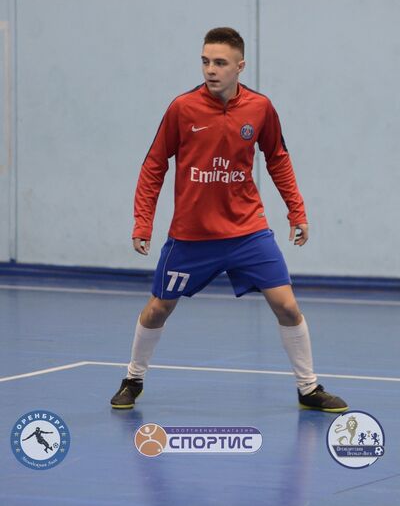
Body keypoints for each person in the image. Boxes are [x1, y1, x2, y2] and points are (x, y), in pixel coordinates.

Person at [110, 27, 348, 413]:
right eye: (205, 61)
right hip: (191, 237)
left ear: (240, 66)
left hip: (248, 232)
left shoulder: (260, 108)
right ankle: (133, 379)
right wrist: (143, 222)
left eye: (220, 62)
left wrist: (296, 211)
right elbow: (154, 165)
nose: (210, 69)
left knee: (287, 306)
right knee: (158, 309)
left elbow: (278, 159)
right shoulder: (181, 109)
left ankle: (308, 388)